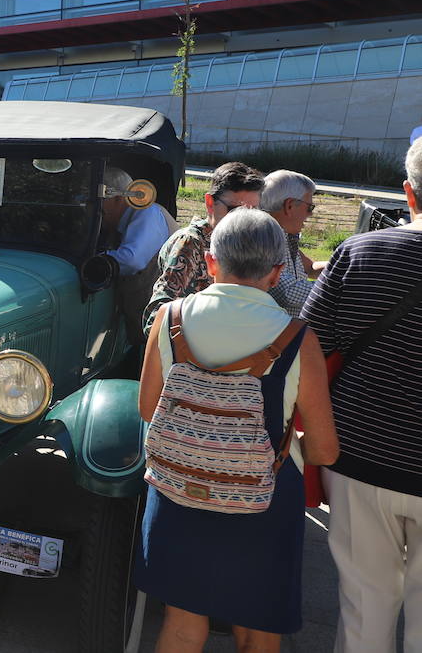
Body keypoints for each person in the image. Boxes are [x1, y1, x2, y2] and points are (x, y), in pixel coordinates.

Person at [138, 208, 338, 652]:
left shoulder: (168, 320)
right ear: (277, 272)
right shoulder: (297, 338)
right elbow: (324, 450)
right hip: (263, 500)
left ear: (211, 262)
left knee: (182, 624)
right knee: (257, 629)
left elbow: (149, 408)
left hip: (179, 486)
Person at [302, 139, 422, 652]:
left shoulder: (359, 253)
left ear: (409, 194)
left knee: (364, 605)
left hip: (358, 458)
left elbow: (306, 348)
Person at [144, 161, 264, 336]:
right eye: (234, 210)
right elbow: (157, 319)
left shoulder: (244, 243)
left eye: (253, 211)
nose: (244, 220)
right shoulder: (190, 244)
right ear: (209, 202)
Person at [99, 166, 180, 348]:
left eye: (101, 200)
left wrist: (97, 260)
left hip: (161, 333)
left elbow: (131, 260)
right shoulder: (119, 223)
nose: (95, 207)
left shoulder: (148, 213)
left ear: (118, 199)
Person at [260, 170, 326, 317]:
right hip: (276, 336)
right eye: (310, 207)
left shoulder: (284, 235)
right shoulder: (263, 236)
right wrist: (340, 288)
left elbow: (310, 268)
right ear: (289, 206)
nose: (311, 214)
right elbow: (288, 293)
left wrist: (346, 265)